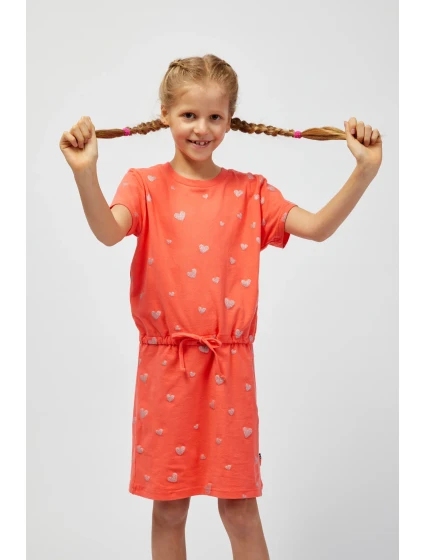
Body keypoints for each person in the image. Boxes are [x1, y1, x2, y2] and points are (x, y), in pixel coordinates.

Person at [59, 54, 382, 560]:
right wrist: (86, 173)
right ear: (165, 114)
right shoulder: (143, 184)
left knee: (239, 509)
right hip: (165, 372)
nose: (202, 128)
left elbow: (317, 228)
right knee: (169, 510)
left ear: (230, 120)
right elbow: (107, 231)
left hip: (230, 372)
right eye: (189, 115)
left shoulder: (250, 192)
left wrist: (365, 170)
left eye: (215, 116)